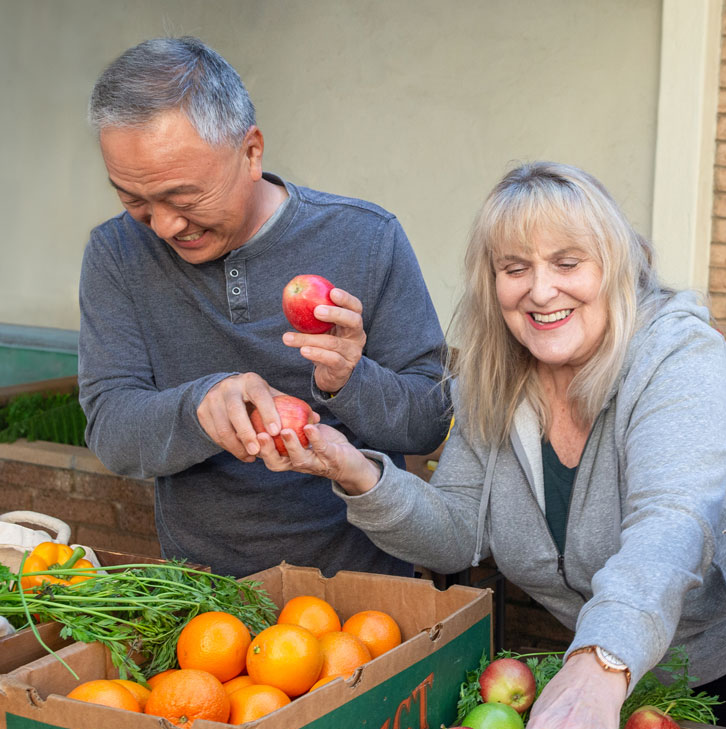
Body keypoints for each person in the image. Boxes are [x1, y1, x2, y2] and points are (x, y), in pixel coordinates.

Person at [258, 162, 726, 729]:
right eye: (515, 269)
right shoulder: (499, 382)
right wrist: (358, 473)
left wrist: (599, 661)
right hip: (590, 693)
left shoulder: (679, 360)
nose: (540, 291)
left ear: (615, 267)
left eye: (568, 263)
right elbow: (453, 532)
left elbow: (673, 522)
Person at [78, 37, 450, 578]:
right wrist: (200, 407)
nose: (162, 226)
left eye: (183, 200)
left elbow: (427, 423)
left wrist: (351, 379)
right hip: (207, 597)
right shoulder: (115, 254)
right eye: (133, 200)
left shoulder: (366, 238)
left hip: (366, 591)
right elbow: (112, 429)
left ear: (251, 152)